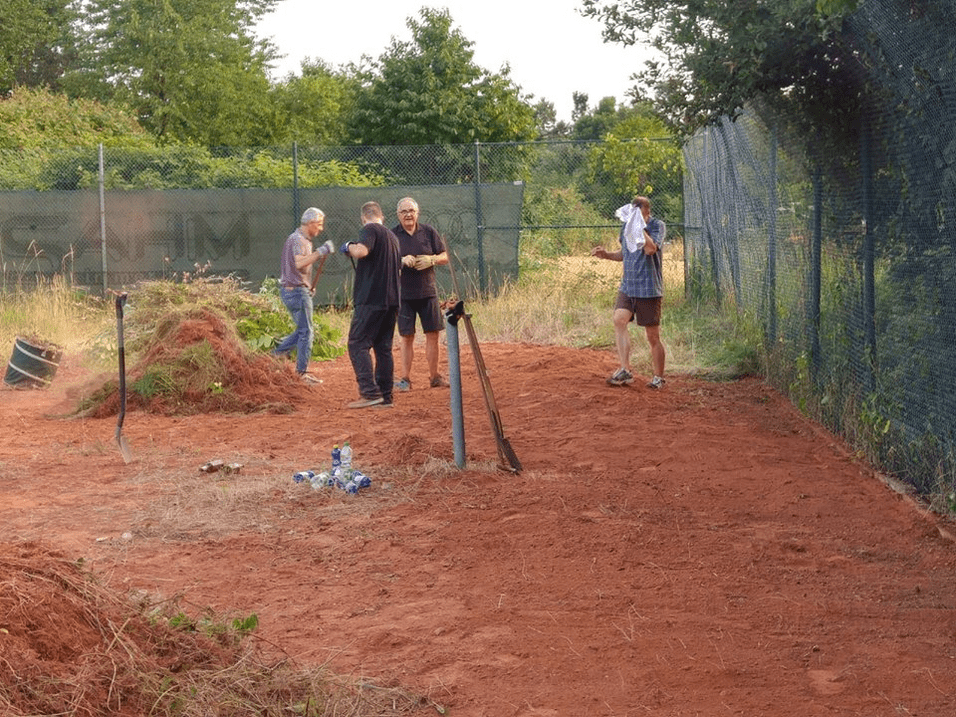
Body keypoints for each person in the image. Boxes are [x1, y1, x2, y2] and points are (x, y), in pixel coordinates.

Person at [591, 195, 667, 389]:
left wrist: (639, 227)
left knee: (652, 336)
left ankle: (658, 377)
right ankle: (625, 370)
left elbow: (650, 250)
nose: (634, 219)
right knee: (619, 319)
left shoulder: (657, 226)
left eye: (639, 215)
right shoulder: (626, 227)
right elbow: (625, 253)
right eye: (633, 215)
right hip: (629, 287)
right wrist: (607, 255)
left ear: (647, 213)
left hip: (648, 289)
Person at [340, 201, 402, 408]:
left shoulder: (369, 229)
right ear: (382, 215)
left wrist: (348, 246)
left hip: (371, 299)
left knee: (357, 343)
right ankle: (386, 395)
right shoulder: (392, 236)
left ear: (363, 216)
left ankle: (369, 392)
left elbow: (361, 252)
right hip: (392, 299)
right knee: (383, 348)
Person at [391, 197, 449, 391]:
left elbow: (445, 255)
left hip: (428, 291)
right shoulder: (392, 235)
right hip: (403, 294)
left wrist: (432, 259)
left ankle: (435, 377)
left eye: (411, 210)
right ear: (398, 215)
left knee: (432, 334)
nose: (408, 214)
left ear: (418, 212)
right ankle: (405, 380)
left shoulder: (429, 232)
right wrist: (400, 260)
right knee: (406, 336)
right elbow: (384, 261)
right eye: (404, 211)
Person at [273, 207, 334, 383]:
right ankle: (301, 373)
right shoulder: (298, 240)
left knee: (302, 330)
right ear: (311, 223)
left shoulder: (302, 240)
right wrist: (320, 252)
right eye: (320, 224)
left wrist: (307, 285)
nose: (321, 229)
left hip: (295, 290)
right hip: (295, 292)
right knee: (306, 332)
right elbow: (299, 263)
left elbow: (301, 269)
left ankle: (275, 356)